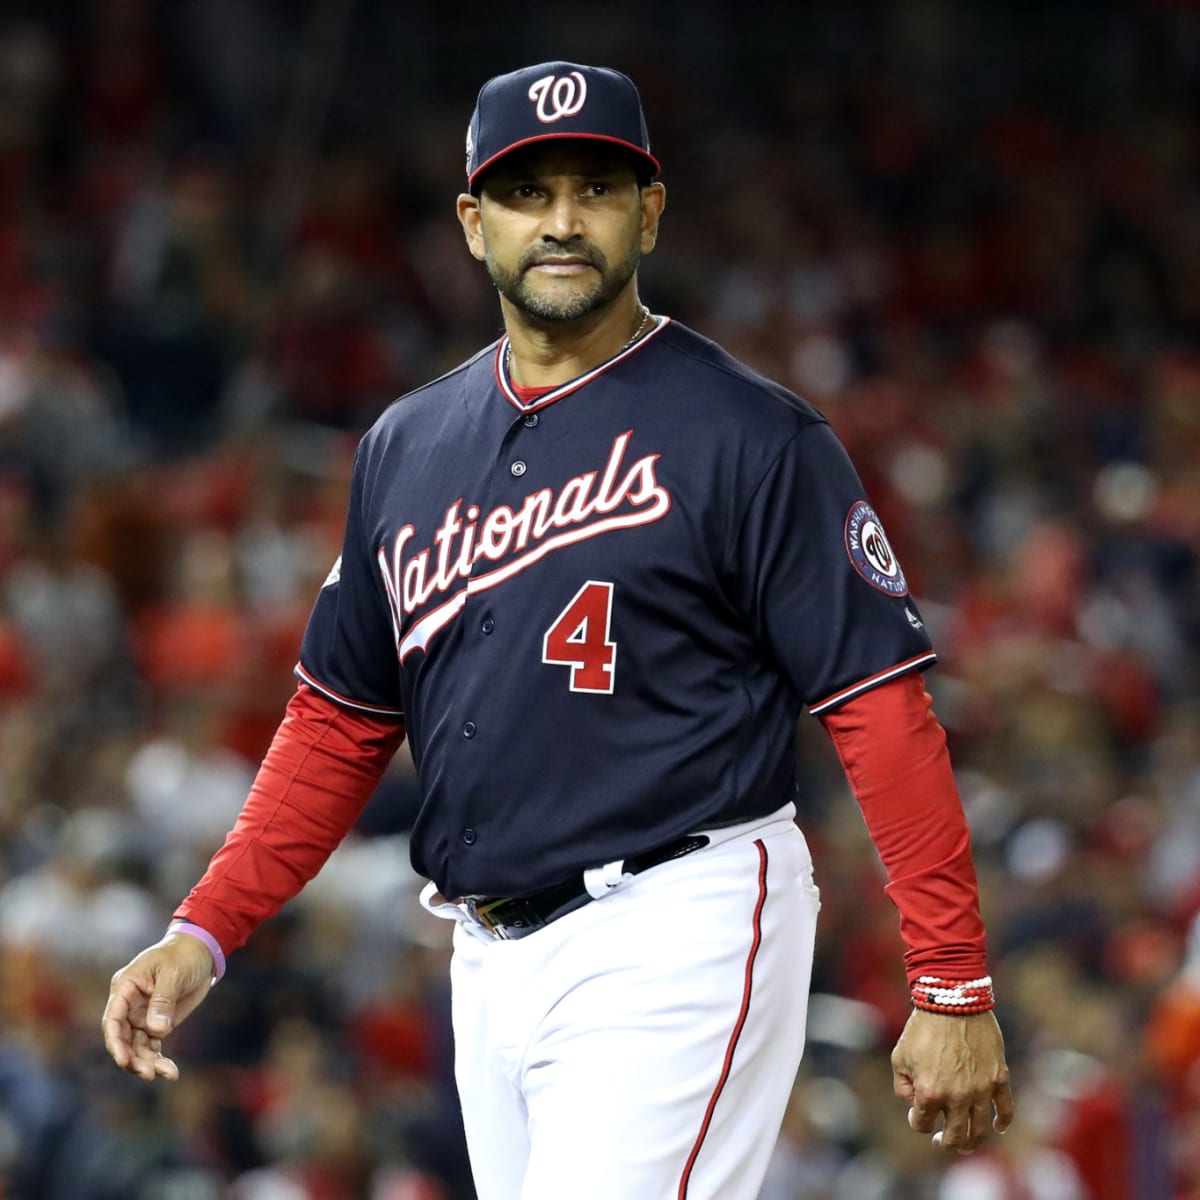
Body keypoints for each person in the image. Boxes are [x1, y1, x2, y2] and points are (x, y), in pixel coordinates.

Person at [103, 61, 1014, 1199]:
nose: (564, 222)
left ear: (651, 212)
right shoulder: (406, 445)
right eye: (530, 194)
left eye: (597, 187)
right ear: (474, 226)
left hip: (680, 911)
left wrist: (951, 980)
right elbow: (338, 723)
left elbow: (881, 708)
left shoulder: (751, 435)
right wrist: (206, 927)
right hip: (485, 957)